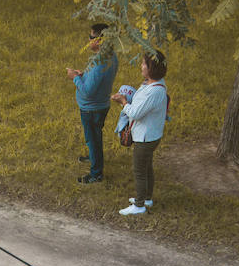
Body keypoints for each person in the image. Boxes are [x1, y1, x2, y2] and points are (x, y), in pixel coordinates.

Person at [110, 50, 168, 215]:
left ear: (152, 68)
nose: (141, 66)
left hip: (146, 137)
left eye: (144, 64)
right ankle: (147, 198)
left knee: (139, 171)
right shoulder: (152, 84)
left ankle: (139, 205)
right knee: (147, 167)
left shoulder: (154, 91)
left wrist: (123, 102)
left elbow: (135, 113)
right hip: (150, 135)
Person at [67, 23, 118, 184]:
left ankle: (96, 173)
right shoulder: (110, 56)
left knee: (93, 139)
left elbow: (88, 91)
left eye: (91, 37)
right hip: (101, 105)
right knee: (96, 135)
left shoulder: (99, 63)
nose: (88, 40)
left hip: (92, 109)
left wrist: (74, 77)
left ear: (100, 40)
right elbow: (96, 80)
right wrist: (84, 75)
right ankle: (93, 156)